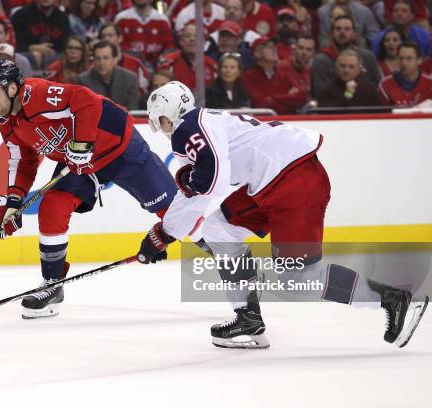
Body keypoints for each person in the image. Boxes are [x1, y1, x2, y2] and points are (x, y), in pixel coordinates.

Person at [137, 80, 428, 349]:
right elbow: (203, 186)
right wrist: (166, 229)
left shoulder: (187, 128)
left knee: (298, 278)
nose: (163, 129)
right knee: (219, 230)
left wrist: (164, 232)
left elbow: (211, 181)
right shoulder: (208, 119)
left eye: (161, 121)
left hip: (292, 183)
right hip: (274, 182)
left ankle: (391, 299)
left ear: (170, 114)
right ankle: (247, 318)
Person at [0, 59, 178, 318]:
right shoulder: (8, 123)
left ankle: (230, 267)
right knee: (51, 206)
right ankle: (52, 284)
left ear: (12, 88)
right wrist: (12, 203)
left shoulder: (38, 94)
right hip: (79, 165)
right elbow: (22, 161)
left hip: (119, 148)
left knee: (175, 214)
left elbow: (86, 100)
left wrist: (82, 144)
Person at [311, 15, 380, 99]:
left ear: (354, 34)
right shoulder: (320, 61)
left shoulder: (368, 57)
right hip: (332, 107)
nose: (342, 32)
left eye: (347, 29)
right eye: (338, 29)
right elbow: (319, 93)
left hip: (364, 106)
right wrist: (347, 94)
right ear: (332, 34)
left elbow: (377, 86)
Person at [240, 36, 307, 114]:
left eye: (274, 46)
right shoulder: (249, 76)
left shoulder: (283, 74)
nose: (274, 49)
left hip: (287, 122)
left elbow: (301, 97)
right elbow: (261, 104)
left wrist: (272, 98)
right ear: (257, 52)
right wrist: (288, 99)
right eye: (269, 47)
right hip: (263, 123)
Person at [76, 41, 139, 110]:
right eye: (98, 58)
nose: (101, 63)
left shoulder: (130, 79)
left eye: (106, 58)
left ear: (115, 59)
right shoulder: (83, 80)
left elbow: (133, 109)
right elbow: (85, 110)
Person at [156, 23, 217, 93]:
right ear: (181, 41)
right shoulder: (167, 62)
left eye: (196, 36)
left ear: (204, 42)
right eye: (187, 36)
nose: (192, 39)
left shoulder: (212, 65)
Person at [10, 0, 71, 68]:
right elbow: (13, 43)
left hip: (54, 58)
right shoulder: (21, 15)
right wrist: (31, 48)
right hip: (28, 56)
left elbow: (65, 43)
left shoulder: (63, 17)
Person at [316, 48, 381, 109]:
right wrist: (347, 95)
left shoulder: (370, 89)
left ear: (359, 69)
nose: (346, 70)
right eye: (342, 66)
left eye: (351, 67)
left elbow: (379, 115)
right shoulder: (326, 90)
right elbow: (327, 115)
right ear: (336, 67)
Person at [115, 0, 174, 65]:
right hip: (129, 65)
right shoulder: (121, 18)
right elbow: (118, 46)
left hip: (157, 67)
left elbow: (169, 48)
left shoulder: (163, 20)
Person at [98, 22, 149, 95]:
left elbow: (143, 89)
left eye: (110, 35)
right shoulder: (95, 65)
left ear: (120, 38)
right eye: (103, 36)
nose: (106, 39)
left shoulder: (135, 63)